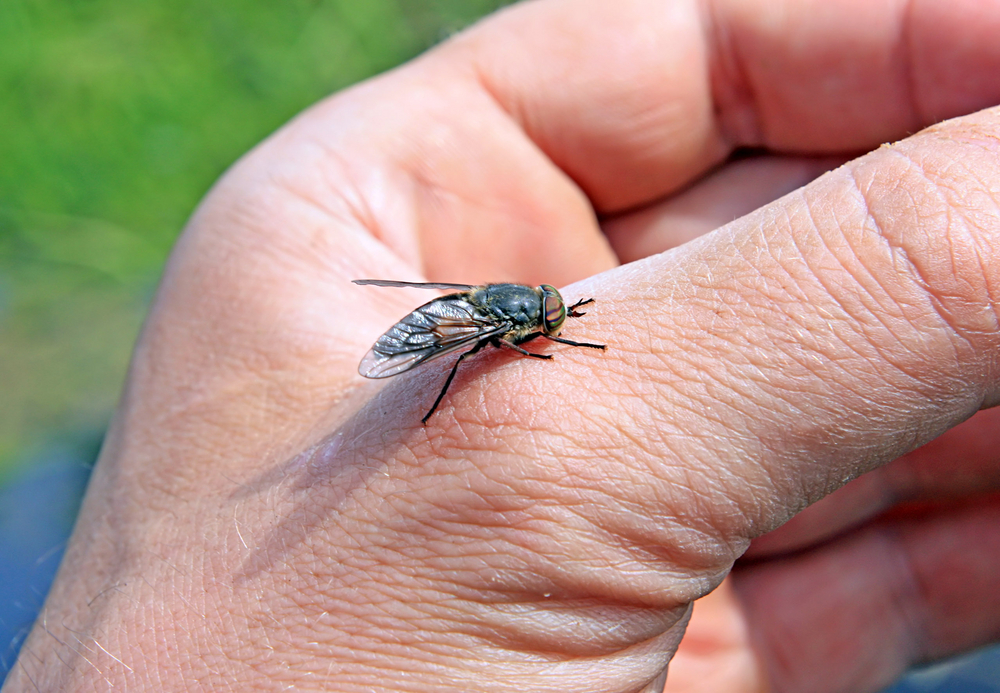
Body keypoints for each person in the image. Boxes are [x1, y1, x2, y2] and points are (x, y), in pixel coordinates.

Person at [6, 0, 1000, 691]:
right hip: (453, 322)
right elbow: (472, 328)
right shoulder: (510, 321)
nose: (554, 327)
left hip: (466, 310)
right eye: (550, 323)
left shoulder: (533, 306)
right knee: (441, 355)